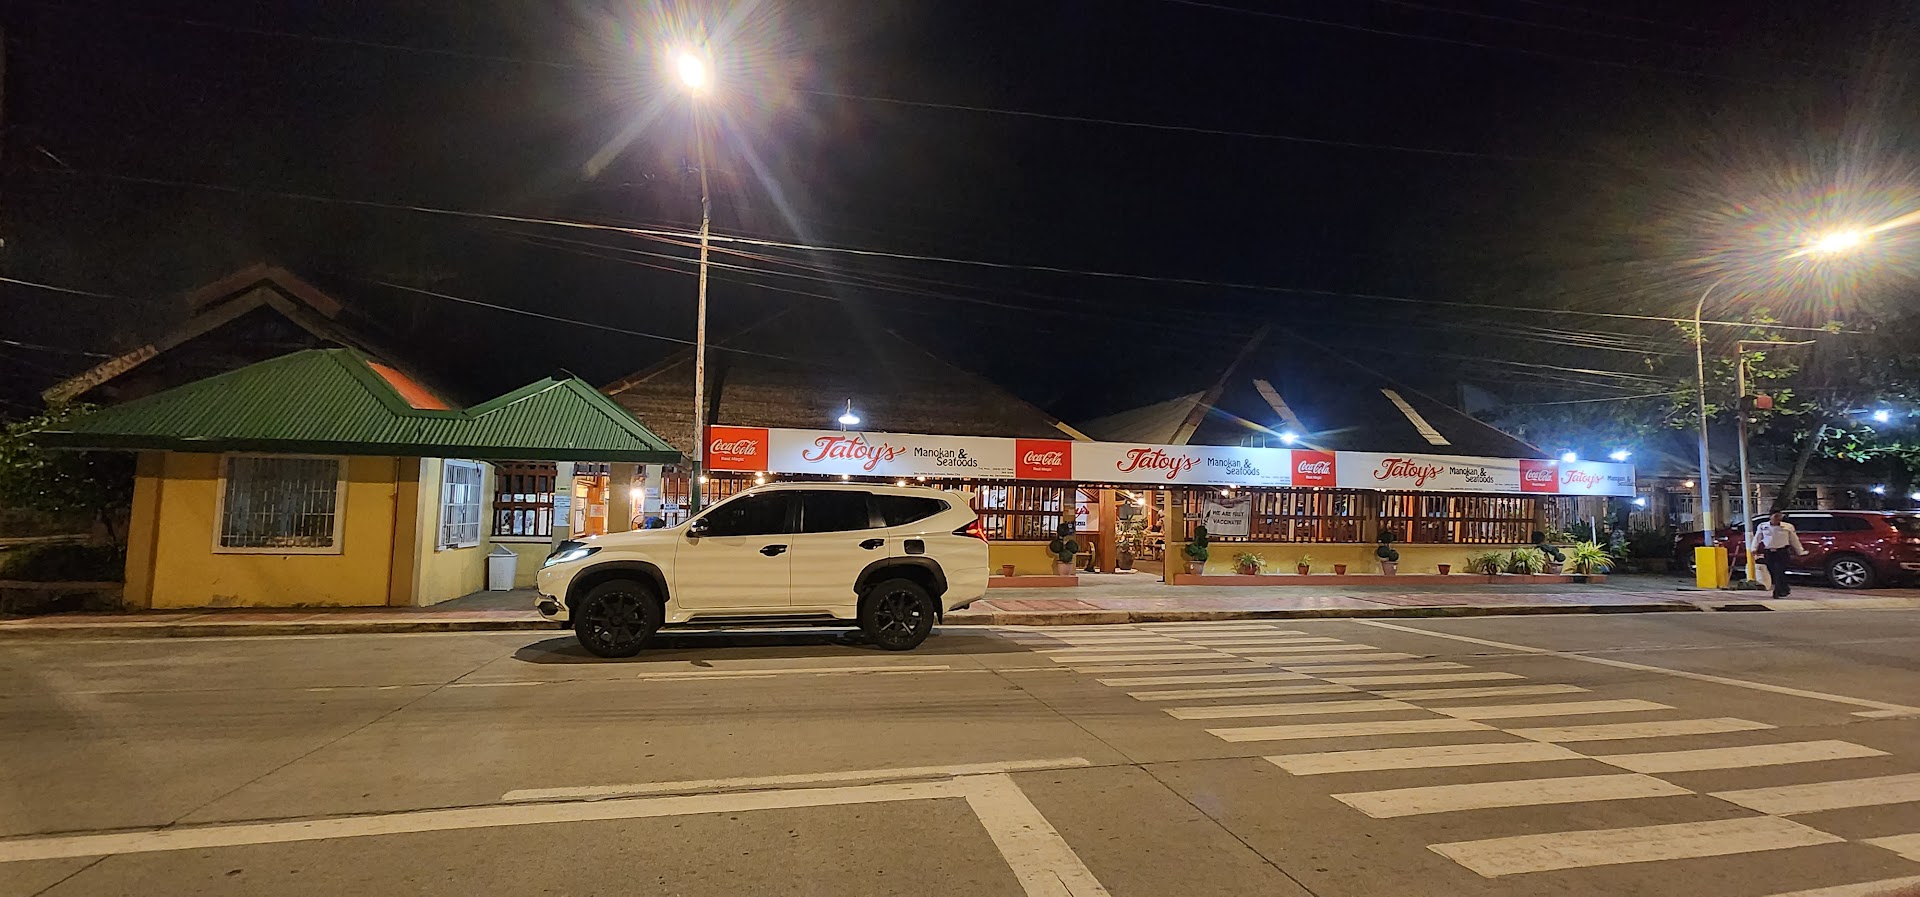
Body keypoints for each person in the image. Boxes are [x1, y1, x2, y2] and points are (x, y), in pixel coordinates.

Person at [1748, 511, 1807, 597]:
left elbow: (1794, 540)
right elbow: (1757, 538)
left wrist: (1800, 551)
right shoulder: (1763, 526)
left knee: (1779, 571)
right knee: (1773, 572)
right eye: (1775, 516)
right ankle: (1785, 588)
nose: (1777, 519)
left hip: (1782, 552)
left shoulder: (1787, 527)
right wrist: (1754, 548)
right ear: (1770, 516)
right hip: (1769, 552)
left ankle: (1777, 592)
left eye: (1779, 517)